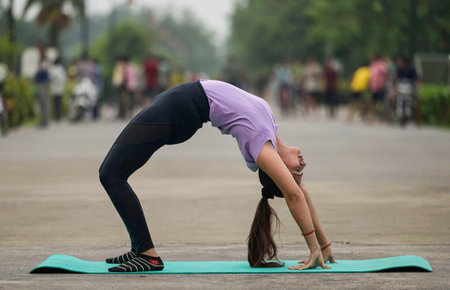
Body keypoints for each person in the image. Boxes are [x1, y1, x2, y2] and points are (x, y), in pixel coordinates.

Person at [99, 80, 336, 272]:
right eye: (299, 171)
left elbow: (293, 194)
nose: (303, 165)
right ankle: (139, 247)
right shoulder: (269, 129)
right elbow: (300, 192)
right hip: (179, 104)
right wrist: (324, 246)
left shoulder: (260, 144)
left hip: (178, 108)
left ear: (279, 168)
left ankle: (147, 255)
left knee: (111, 174)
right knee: (114, 173)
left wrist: (312, 249)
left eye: (296, 171)